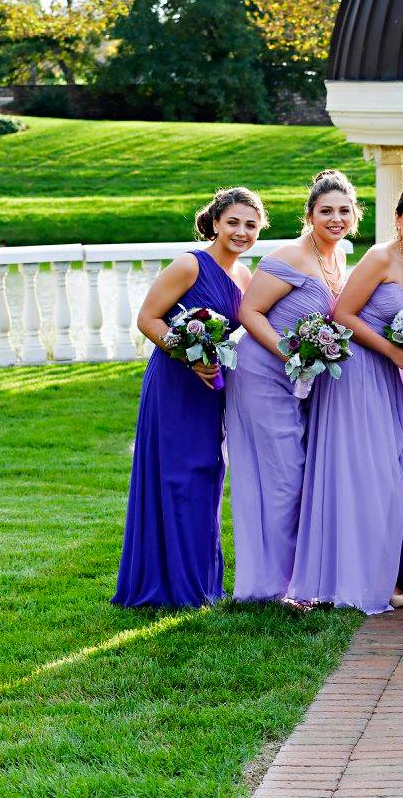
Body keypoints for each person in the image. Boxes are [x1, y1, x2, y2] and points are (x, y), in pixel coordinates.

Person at [286, 185, 403, 613]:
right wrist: (394, 351)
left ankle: (388, 573)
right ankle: (353, 577)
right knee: (366, 473)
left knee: (395, 472)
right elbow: (343, 315)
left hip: (391, 377)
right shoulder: (379, 257)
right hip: (357, 372)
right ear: (398, 218)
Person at [113, 188, 265, 608]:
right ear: (216, 222)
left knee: (206, 475)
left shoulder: (246, 277)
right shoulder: (189, 264)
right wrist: (188, 355)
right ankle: (170, 587)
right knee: (176, 477)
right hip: (176, 384)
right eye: (233, 222)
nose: (241, 231)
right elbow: (147, 318)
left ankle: (201, 584)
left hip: (211, 389)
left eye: (250, 225)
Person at [228, 171, 356, 605]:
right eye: (326, 211)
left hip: (302, 379)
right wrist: (290, 354)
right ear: (310, 215)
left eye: (343, 211)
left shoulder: (339, 259)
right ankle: (280, 587)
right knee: (286, 477)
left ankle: (296, 580)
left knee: (299, 472)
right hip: (264, 372)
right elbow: (250, 311)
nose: (335, 219)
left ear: (355, 216)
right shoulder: (290, 256)